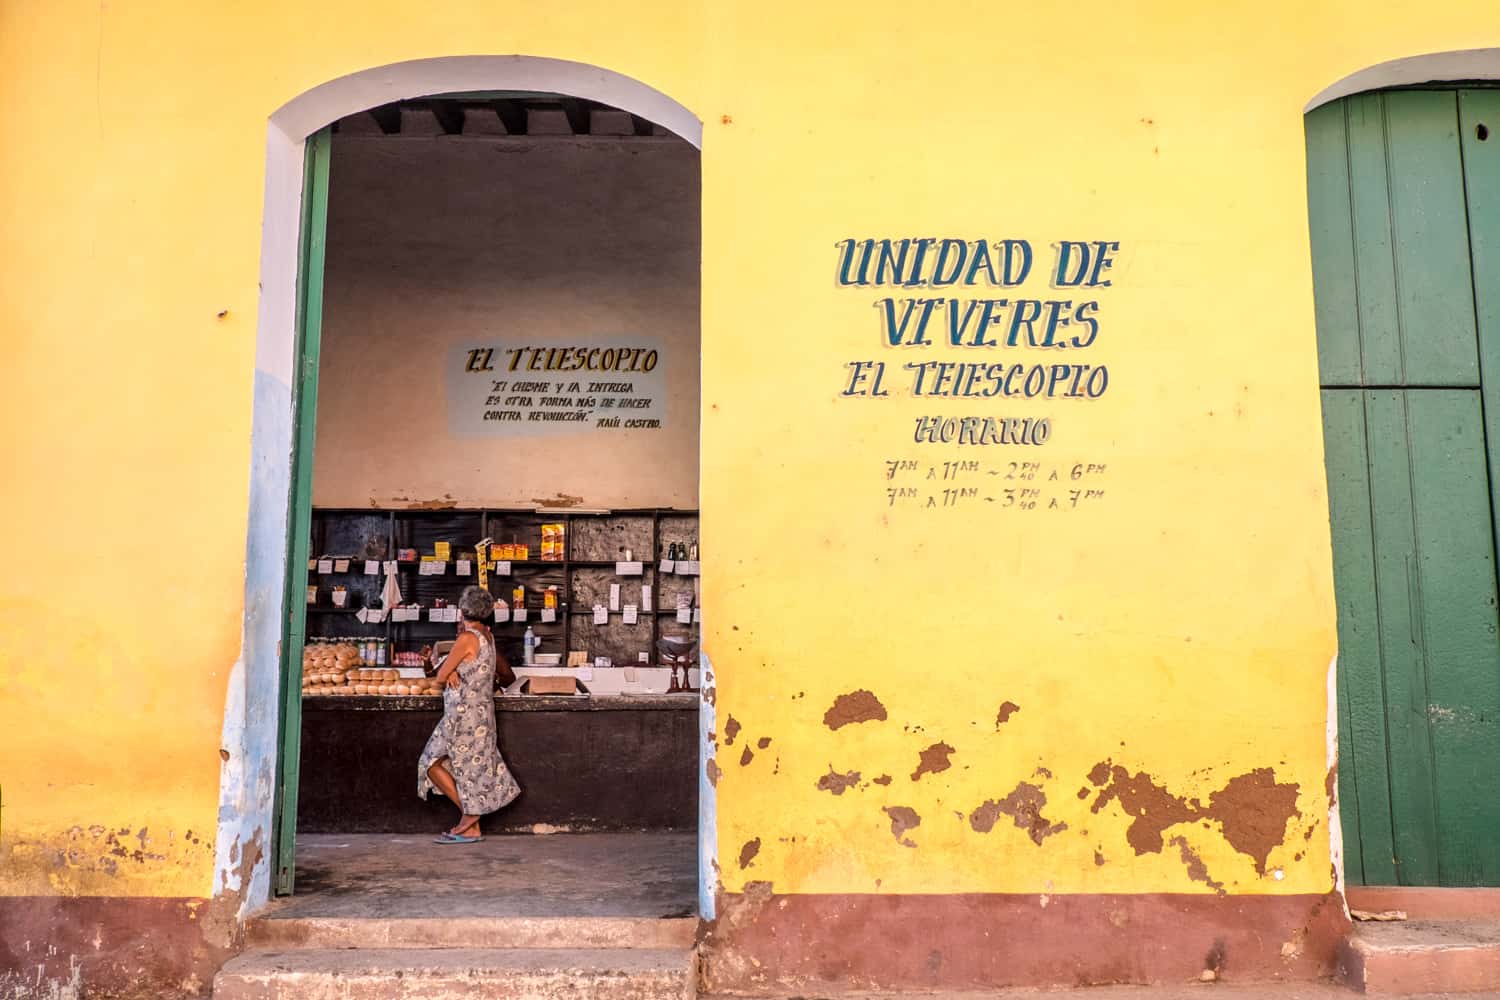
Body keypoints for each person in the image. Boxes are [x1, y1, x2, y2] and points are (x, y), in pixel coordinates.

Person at [417, 585, 520, 843]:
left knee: (430, 763)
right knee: (472, 769)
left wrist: (449, 672)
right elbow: (457, 669)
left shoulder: (466, 638)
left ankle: (469, 818)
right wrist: (452, 670)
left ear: (463, 611)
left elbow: (439, 676)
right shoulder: (487, 638)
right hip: (482, 715)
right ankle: (471, 825)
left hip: (462, 717)